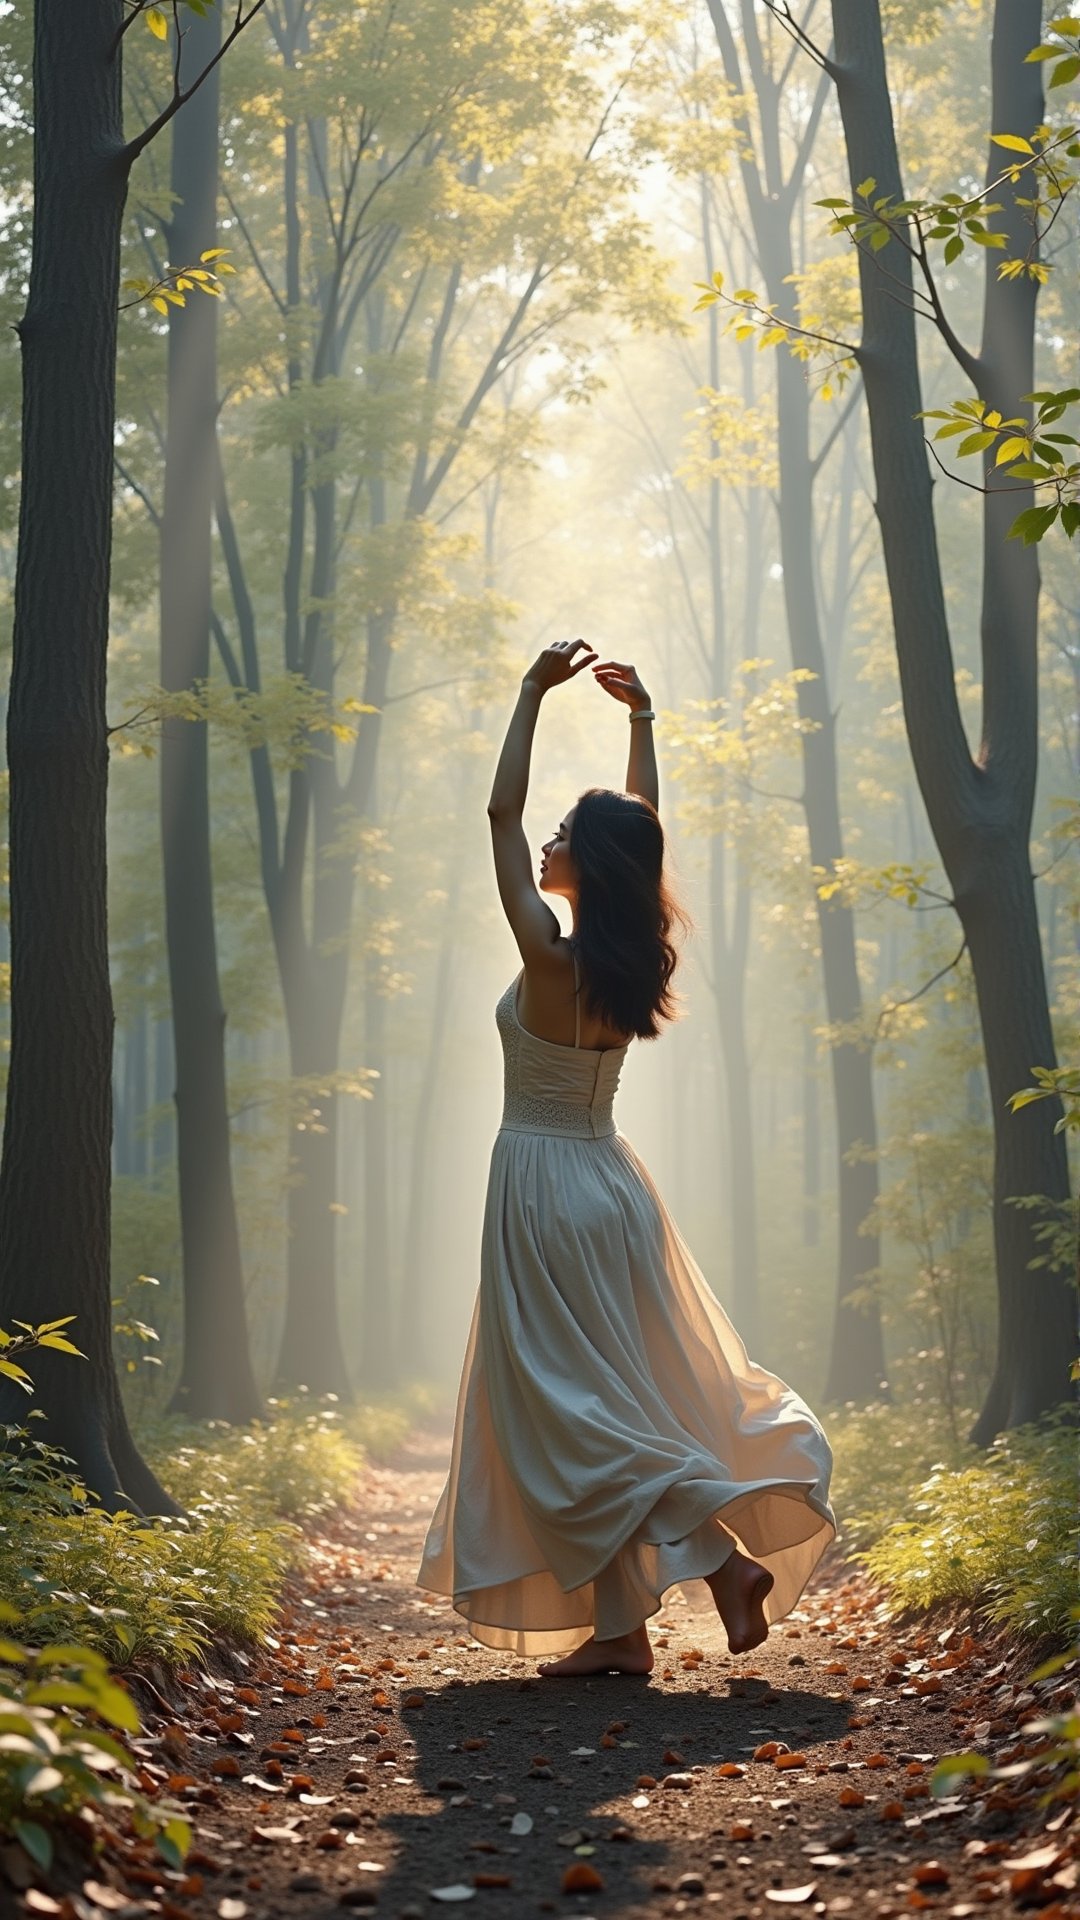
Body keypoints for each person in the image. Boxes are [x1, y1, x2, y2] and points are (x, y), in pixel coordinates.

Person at [417, 640, 835, 1676]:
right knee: (607, 1398)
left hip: (544, 1188)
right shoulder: (631, 950)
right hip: (613, 1183)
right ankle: (619, 1635)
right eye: (557, 831)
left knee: (568, 1413)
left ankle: (719, 1557)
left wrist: (529, 694)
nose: (548, 840)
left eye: (567, 836)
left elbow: (497, 819)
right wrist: (640, 722)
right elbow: (633, 843)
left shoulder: (550, 958)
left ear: (583, 867)